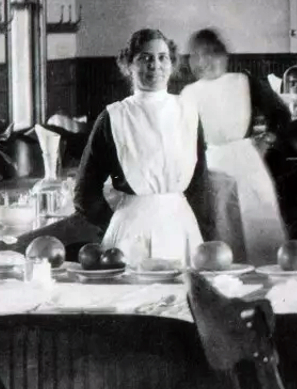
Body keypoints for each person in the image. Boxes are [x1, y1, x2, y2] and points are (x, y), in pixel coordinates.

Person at [74, 29, 206, 264]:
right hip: (130, 237)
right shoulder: (113, 116)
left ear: (172, 63)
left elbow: (199, 183)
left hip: (182, 229)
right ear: (129, 65)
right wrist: (119, 222)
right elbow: (85, 194)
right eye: (145, 58)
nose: (155, 65)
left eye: (162, 57)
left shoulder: (188, 112)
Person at [179, 28, 290, 266]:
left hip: (247, 162)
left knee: (259, 227)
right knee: (224, 232)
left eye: (211, 53)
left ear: (224, 56)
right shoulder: (188, 93)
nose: (206, 61)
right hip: (211, 167)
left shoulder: (244, 82)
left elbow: (281, 114)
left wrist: (267, 140)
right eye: (198, 55)